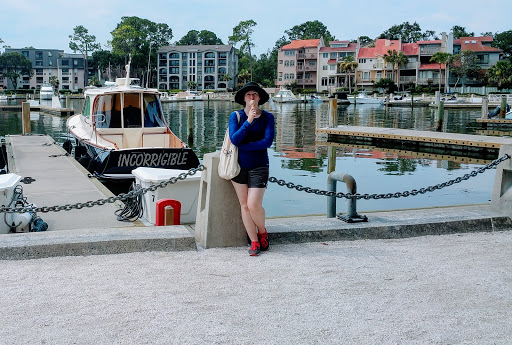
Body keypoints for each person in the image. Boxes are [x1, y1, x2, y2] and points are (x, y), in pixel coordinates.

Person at [229, 82, 275, 256]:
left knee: (253, 204)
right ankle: (254, 241)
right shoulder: (236, 116)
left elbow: (267, 142)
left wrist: (244, 145)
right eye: (248, 95)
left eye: (255, 94)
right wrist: (248, 121)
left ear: (260, 98)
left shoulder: (267, 117)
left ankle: (262, 232)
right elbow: (235, 139)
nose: (252, 97)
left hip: (259, 165)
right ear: (243, 99)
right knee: (244, 205)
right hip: (238, 167)